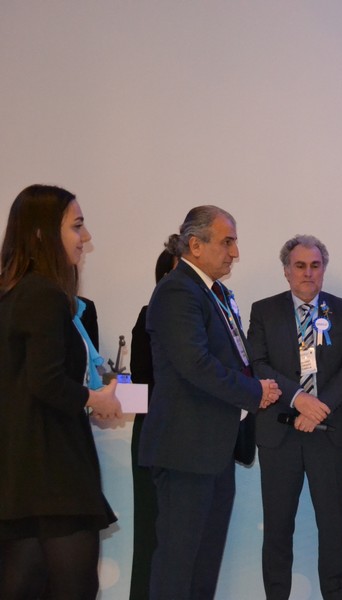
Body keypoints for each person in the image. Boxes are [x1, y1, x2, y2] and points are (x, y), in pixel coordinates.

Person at [138, 205, 281, 599]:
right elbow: (195, 365)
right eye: (227, 242)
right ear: (195, 245)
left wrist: (260, 385)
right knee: (178, 566)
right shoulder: (177, 291)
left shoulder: (214, 292)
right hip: (185, 450)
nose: (235, 253)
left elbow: (235, 357)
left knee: (204, 566)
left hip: (213, 449)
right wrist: (254, 392)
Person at [0, 184, 122, 599]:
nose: (85, 237)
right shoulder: (44, 294)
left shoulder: (15, 292)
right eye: (77, 226)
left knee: (24, 584)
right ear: (41, 233)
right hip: (54, 473)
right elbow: (46, 380)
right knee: (73, 587)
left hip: (26, 472)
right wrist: (94, 399)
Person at [247, 234, 342, 600]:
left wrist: (318, 407)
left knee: (332, 527)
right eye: (300, 266)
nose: (308, 273)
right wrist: (299, 399)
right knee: (277, 529)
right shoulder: (263, 311)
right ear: (286, 270)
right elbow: (257, 363)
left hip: (330, 432)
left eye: (315, 265)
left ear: (324, 269)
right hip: (278, 433)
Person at [128, 233, 180, 600]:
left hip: (195, 441)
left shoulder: (213, 316)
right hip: (156, 436)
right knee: (151, 531)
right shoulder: (148, 318)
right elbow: (142, 385)